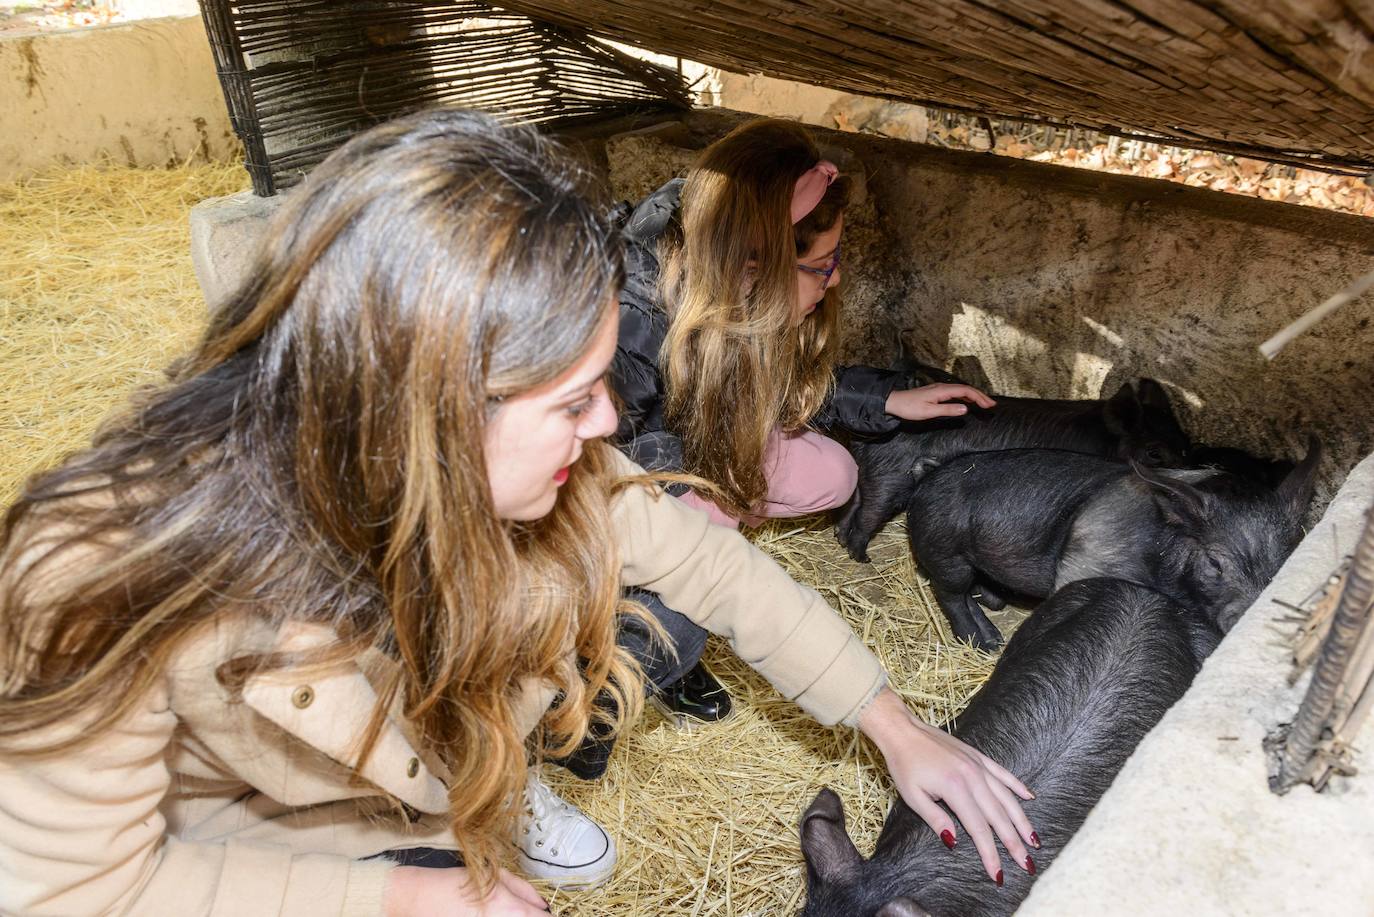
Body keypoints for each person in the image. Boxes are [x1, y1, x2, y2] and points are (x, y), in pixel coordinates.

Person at [0, 109, 1034, 917]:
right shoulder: (96, 577)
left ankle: (492, 785)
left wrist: (890, 722)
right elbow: (77, 888)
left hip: (424, 772)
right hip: (262, 848)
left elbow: (717, 571)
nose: (604, 427)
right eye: (571, 400)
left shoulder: (529, 471)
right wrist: (400, 894)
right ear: (433, 403)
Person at [612, 117, 996, 725]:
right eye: (823, 264)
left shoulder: (720, 269)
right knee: (680, 599)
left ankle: (715, 509)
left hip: (697, 437)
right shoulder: (627, 326)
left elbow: (779, 383)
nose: (836, 277)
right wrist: (701, 493)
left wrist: (886, 400)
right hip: (633, 481)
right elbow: (600, 479)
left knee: (834, 474)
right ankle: (643, 666)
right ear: (753, 269)